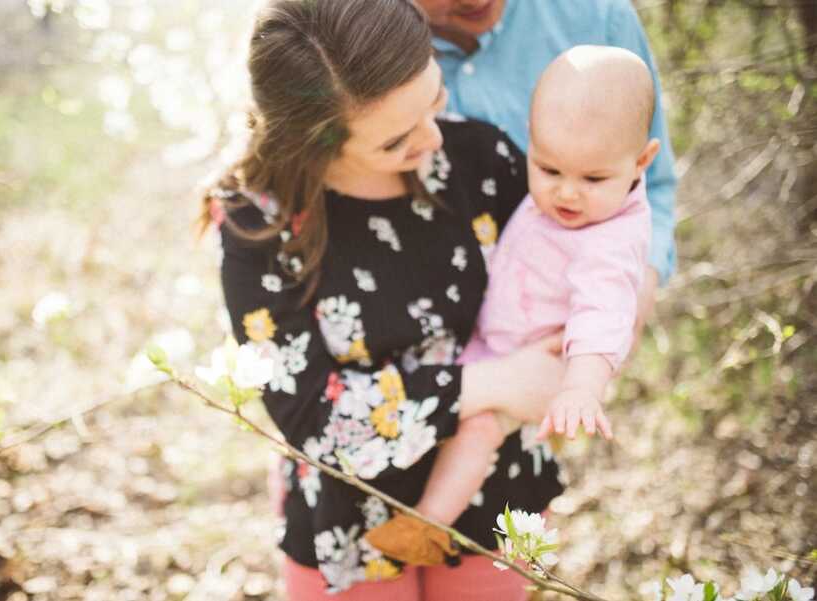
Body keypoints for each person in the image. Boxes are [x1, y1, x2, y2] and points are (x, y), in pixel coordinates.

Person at [200, 0, 566, 598]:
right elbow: (310, 415)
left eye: (434, 99)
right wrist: (495, 384)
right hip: (347, 510)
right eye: (395, 141)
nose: (432, 138)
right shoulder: (259, 223)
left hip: (492, 483)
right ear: (315, 144)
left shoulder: (484, 160)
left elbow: (559, 283)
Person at [365, 46, 660, 560]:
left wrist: (581, 388)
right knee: (436, 408)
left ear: (641, 162)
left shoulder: (610, 241)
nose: (567, 193)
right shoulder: (573, 191)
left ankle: (426, 525)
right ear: (531, 142)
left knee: (476, 429)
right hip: (492, 337)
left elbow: (604, 312)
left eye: (593, 179)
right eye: (548, 170)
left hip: (535, 360)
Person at [414, 0, 678, 329]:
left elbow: (654, 184)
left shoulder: (599, 16)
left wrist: (640, 288)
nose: (477, 0)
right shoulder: (359, 46)